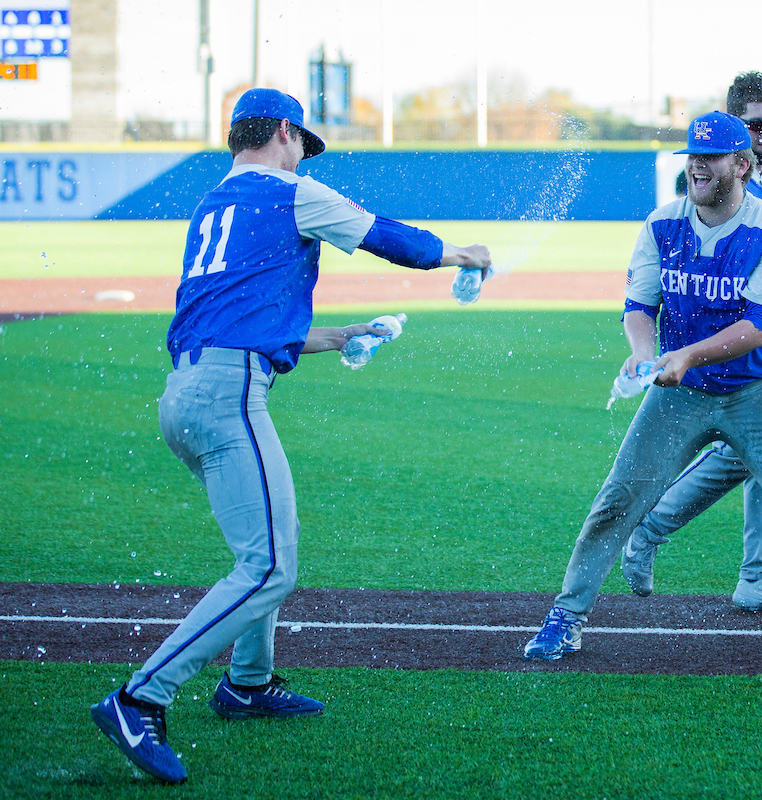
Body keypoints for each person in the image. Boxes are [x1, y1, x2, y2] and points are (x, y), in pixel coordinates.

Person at [89, 88, 492, 784]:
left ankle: (248, 684)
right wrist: (462, 253)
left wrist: (339, 336)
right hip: (228, 397)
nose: (305, 155)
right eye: (304, 142)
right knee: (271, 567)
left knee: (265, 544)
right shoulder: (288, 190)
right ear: (283, 131)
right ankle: (139, 698)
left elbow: (236, 316)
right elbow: (387, 238)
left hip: (186, 392)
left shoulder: (213, 203)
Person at [524, 111, 762, 663]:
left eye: (709, 158)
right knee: (617, 502)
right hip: (678, 392)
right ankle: (565, 617)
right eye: (692, 157)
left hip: (758, 388)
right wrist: (642, 356)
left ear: (742, 164)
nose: (697, 167)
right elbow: (639, 307)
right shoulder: (662, 223)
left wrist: (684, 354)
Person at [621, 72, 762, 613]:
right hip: (714, 347)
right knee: (748, 456)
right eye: (759, 124)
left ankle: (760, 576)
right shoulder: (715, 182)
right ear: (736, 127)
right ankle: (652, 527)